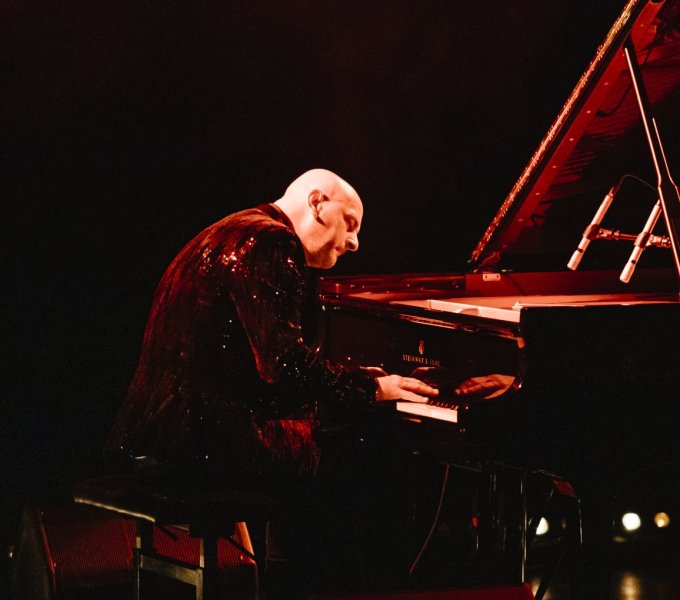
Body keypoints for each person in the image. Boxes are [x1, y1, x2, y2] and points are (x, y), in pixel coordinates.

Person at [107, 168, 439, 595]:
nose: (355, 242)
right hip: (204, 444)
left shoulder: (232, 230)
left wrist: (344, 384)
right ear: (317, 204)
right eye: (350, 223)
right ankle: (324, 586)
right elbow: (286, 366)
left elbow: (257, 370)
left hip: (158, 437)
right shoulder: (273, 242)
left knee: (330, 441)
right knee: (360, 454)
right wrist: (372, 389)